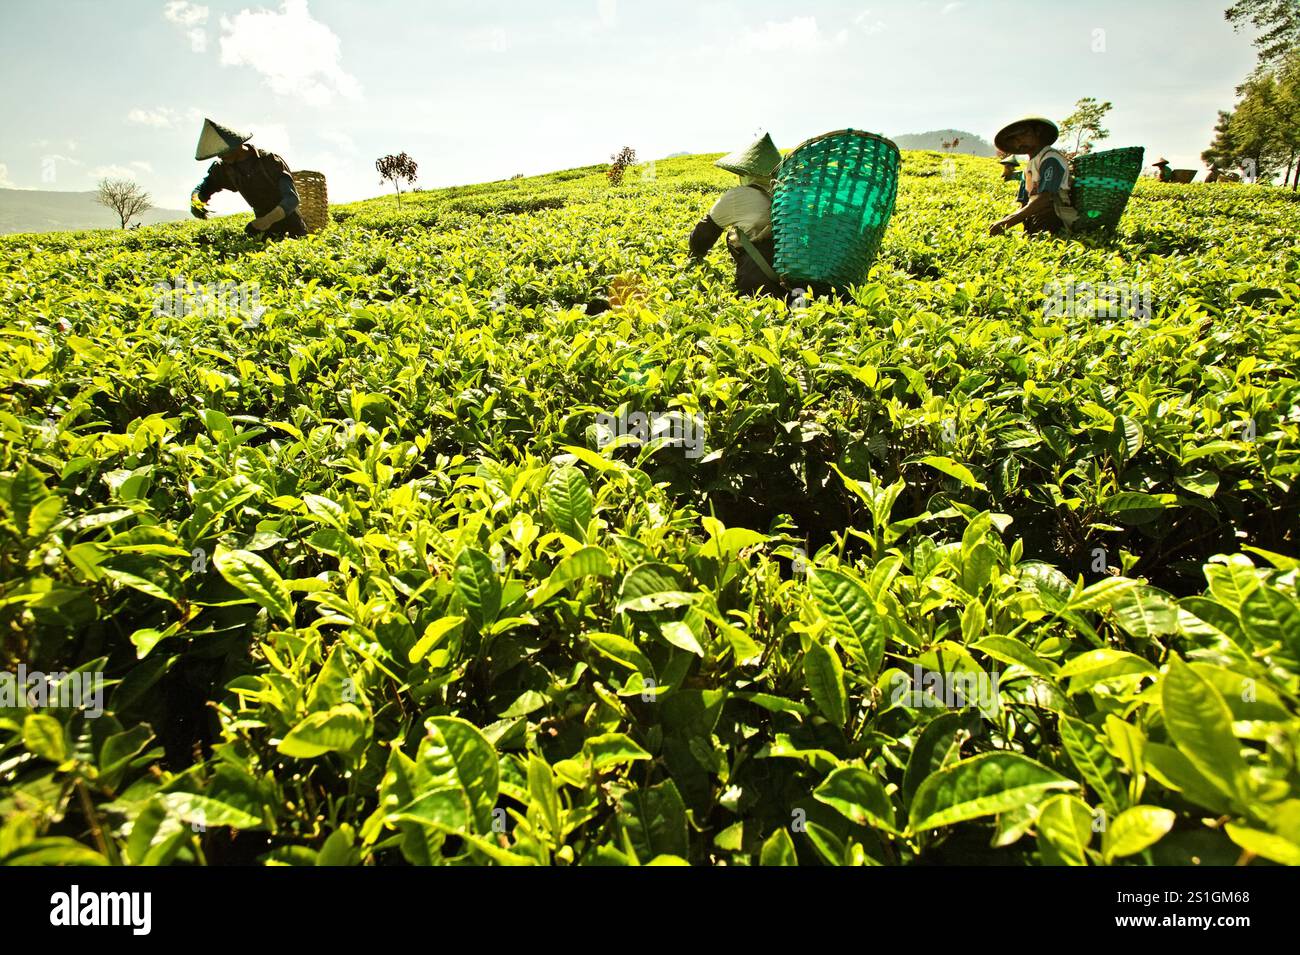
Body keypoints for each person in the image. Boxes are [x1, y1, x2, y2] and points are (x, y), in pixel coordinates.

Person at [688, 133, 784, 298]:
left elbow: (703, 233)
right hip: (796, 285)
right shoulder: (787, 196)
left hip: (757, 283)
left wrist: (694, 257)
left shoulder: (738, 196)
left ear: (746, 173)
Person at [190, 118, 306, 239]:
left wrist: (266, 221)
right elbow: (202, 188)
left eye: (223, 152)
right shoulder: (224, 169)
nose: (219, 156)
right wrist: (196, 201)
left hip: (292, 226)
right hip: (263, 230)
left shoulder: (269, 160)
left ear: (236, 146)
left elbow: (291, 199)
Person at [988, 116, 1078, 237]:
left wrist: (1008, 221)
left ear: (1038, 132)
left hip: (1055, 213)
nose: (1019, 141)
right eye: (1014, 139)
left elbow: (1046, 198)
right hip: (1034, 214)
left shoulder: (1050, 158)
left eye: (1023, 134)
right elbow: (1024, 201)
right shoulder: (1029, 167)